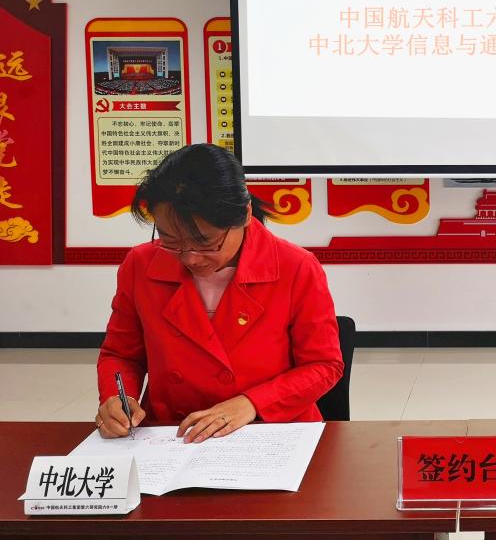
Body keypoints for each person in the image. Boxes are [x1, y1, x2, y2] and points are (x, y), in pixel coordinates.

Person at [95, 144, 344, 443]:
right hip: (173, 432)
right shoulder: (141, 264)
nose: (190, 257)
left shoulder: (295, 266)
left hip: (269, 428)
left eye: (205, 243)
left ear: (245, 215)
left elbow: (324, 365)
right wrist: (117, 398)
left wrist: (251, 403)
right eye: (171, 240)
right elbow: (121, 355)